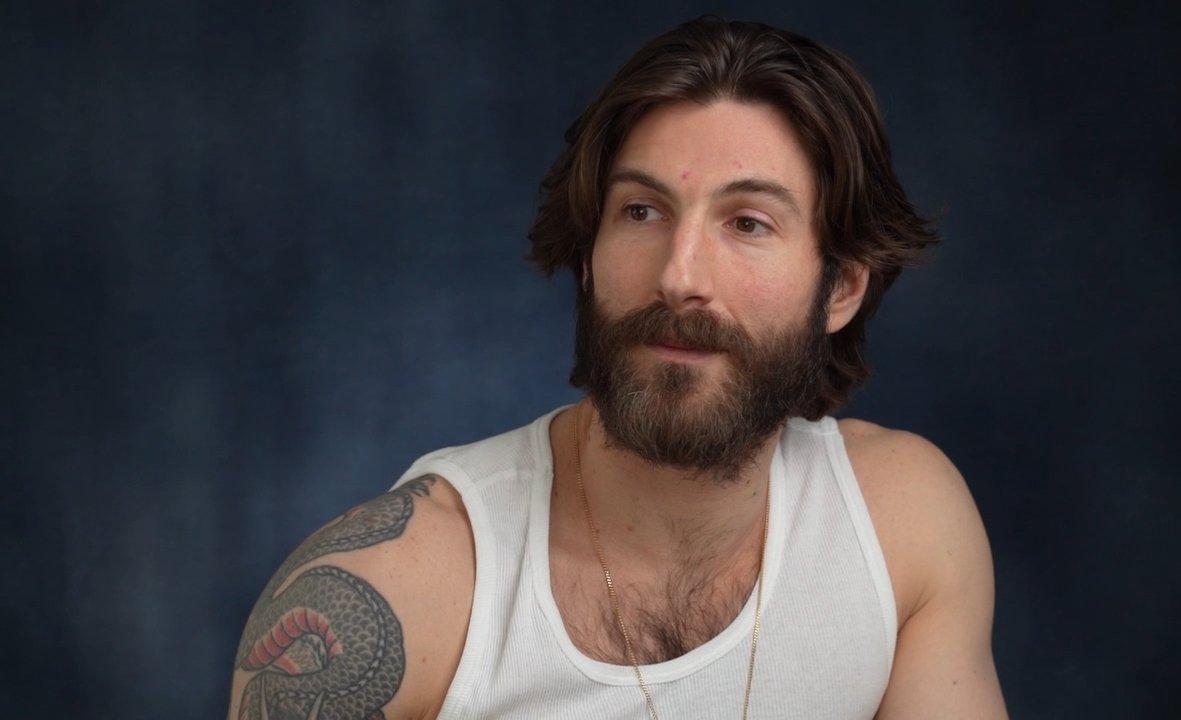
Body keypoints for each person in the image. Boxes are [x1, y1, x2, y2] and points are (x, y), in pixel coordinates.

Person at [227, 16, 1006, 720]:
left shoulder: (901, 527)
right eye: (642, 211)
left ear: (841, 287)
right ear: (589, 255)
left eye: (748, 223)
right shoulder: (392, 595)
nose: (679, 276)